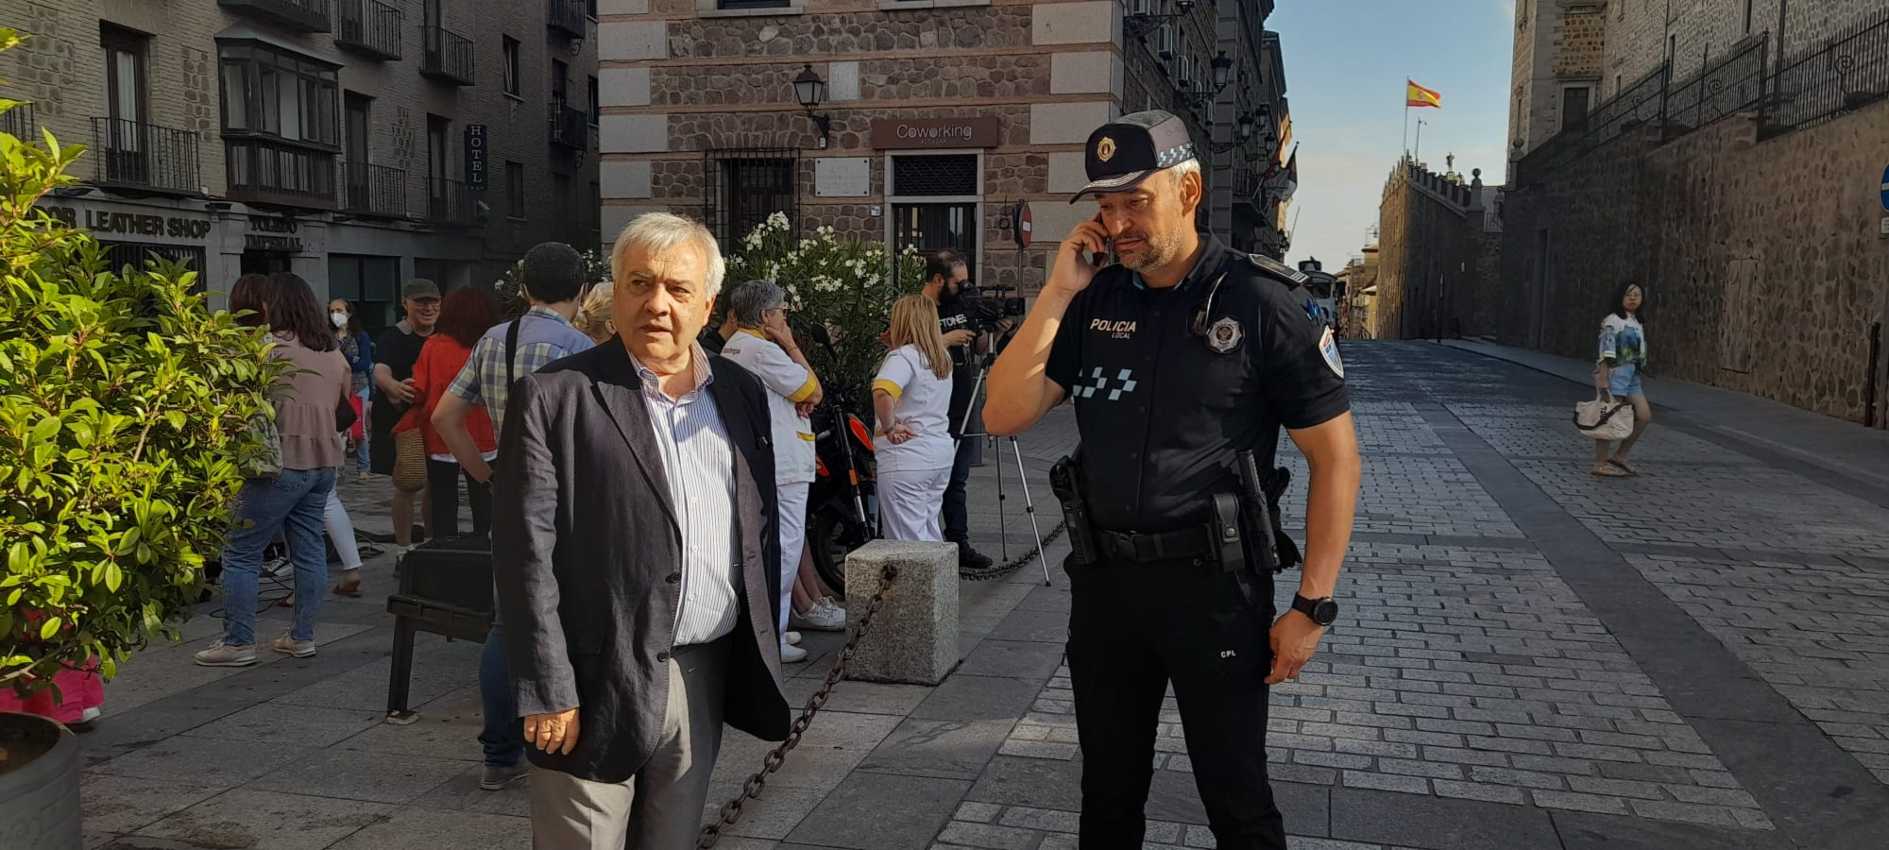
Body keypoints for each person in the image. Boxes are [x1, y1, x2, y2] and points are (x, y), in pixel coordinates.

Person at [982, 110, 1362, 849]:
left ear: (1188, 190)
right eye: (1104, 205)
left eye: (1135, 201)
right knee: (1107, 794)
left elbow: (1335, 458)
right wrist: (1056, 294)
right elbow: (1002, 414)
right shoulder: (1094, 299)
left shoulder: (1260, 303)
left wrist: (1311, 606)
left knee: (1235, 796)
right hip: (1107, 590)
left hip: (1213, 590)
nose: (1116, 223)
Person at [491, 213, 790, 848]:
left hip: (701, 671)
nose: (657, 304)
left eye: (678, 289)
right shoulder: (555, 396)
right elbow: (524, 554)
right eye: (639, 284)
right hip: (592, 679)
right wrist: (546, 685)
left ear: (708, 304)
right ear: (614, 293)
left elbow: (757, 523)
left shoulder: (741, 392)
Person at [433, 243, 593, 791]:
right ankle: (568, 736)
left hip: (512, 492)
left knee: (509, 624)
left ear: (524, 289)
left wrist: (484, 474)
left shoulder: (495, 340)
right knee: (575, 615)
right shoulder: (582, 347)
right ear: (582, 291)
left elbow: (446, 416)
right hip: (573, 498)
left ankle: (499, 756)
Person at [197, 273, 353, 667]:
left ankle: (238, 643)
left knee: (241, 552)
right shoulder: (334, 354)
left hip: (278, 464)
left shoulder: (264, 349)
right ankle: (302, 637)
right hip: (323, 466)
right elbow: (342, 407)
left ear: (274, 306)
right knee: (310, 551)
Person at [720, 280, 823, 663]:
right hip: (785, 462)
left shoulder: (737, 346)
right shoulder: (763, 349)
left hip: (771, 456)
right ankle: (772, 636)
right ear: (766, 316)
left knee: (775, 547)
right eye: (782, 312)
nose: (785, 318)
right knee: (785, 548)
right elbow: (813, 390)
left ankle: (774, 626)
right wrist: (791, 344)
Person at [399, 287, 500, 537]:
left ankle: (446, 555)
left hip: (441, 436)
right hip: (486, 435)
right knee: (485, 500)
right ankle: (484, 553)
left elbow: (420, 391)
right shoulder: (493, 345)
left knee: (443, 502)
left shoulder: (434, 345)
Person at [920, 250, 997, 570]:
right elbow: (903, 345)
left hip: (963, 401)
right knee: (929, 479)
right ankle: (924, 541)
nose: (965, 288)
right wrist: (945, 338)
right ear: (939, 279)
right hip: (930, 408)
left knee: (958, 478)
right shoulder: (919, 309)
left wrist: (993, 327)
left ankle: (958, 542)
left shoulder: (963, 305)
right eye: (959, 282)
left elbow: (978, 347)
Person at [872, 294, 957, 542]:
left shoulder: (902, 357)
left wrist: (889, 427)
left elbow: (883, 392)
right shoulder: (941, 357)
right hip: (937, 451)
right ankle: (939, 581)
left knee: (906, 543)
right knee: (928, 532)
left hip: (906, 456)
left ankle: (917, 583)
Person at [372, 280, 441, 548]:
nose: (428, 307)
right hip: (402, 422)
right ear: (405, 304)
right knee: (407, 483)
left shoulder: (444, 336)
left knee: (436, 485)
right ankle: (403, 548)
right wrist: (395, 387)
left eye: (433, 301)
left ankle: (433, 543)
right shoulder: (393, 337)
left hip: (436, 421)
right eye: (421, 301)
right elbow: (380, 371)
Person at [1592, 281, 1652, 478]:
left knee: (1644, 416)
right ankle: (1600, 463)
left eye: (1637, 295)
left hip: (1632, 376)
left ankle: (1620, 456)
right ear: (1620, 297)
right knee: (1609, 418)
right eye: (1628, 294)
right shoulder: (1612, 320)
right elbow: (1605, 348)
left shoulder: (1637, 321)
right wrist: (1603, 377)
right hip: (1615, 372)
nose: (1633, 298)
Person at [330, 298, 373, 475]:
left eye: (339, 310)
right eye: (332, 311)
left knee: (358, 427)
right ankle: (338, 466)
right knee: (336, 427)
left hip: (358, 385)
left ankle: (363, 466)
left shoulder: (360, 336)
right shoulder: (328, 336)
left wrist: (344, 361)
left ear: (349, 312)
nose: (335, 315)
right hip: (334, 387)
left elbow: (364, 363)